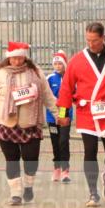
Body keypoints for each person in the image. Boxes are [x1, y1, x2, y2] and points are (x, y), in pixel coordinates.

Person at [56, 22, 105, 207]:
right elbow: (66, 88)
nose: (91, 44)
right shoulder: (77, 60)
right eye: (88, 40)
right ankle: (93, 193)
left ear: (104, 38)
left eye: (95, 41)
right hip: (87, 113)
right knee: (89, 152)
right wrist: (62, 112)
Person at [0, 42, 57, 205]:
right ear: (8, 58)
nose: (17, 62)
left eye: (20, 58)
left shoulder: (35, 72)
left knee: (31, 159)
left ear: (25, 56)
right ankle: (15, 193)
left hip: (31, 123)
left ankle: (28, 187)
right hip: (5, 123)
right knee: (11, 159)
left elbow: (47, 96)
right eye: (13, 59)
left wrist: (58, 114)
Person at [46, 50, 71, 183]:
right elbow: (45, 94)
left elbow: (75, 93)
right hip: (51, 116)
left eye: (60, 63)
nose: (57, 66)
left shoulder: (70, 77)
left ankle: (65, 170)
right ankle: (56, 168)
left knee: (64, 141)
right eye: (55, 63)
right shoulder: (50, 78)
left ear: (64, 64)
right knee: (55, 143)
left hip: (65, 114)